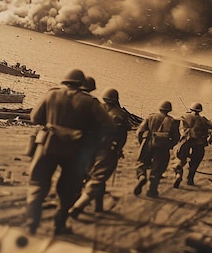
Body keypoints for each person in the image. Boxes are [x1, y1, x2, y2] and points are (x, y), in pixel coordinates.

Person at [25, 68, 108, 236]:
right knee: (68, 189)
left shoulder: (51, 94)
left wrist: (51, 123)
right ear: (81, 84)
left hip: (48, 146)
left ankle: (31, 224)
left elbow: (34, 118)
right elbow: (108, 126)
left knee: (37, 184)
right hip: (75, 151)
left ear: (64, 81)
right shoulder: (90, 102)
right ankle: (59, 225)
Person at [68, 87, 133, 218]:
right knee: (98, 178)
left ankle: (97, 205)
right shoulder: (119, 114)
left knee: (88, 175)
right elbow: (123, 134)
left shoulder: (96, 109)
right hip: (107, 150)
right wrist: (118, 149)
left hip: (89, 148)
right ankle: (77, 207)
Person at [134, 100, 180, 198]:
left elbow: (139, 132)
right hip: (163, 146)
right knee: (158, 167)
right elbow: (176, 137)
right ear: (169, 110)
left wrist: (141, 142)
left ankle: (142, 176)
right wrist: (170, 145)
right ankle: (152, 190)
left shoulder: (150, 117)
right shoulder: (172, 121)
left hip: (148, 143)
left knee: (141, 162)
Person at [173, 102, 212, 187]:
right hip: (200, 142)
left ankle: (178, 174)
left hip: (186, 141)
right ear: (200, 110)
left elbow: (176, 127)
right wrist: (209, 140)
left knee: (180, 158)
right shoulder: (203, 120)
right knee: (195, 161)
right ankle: (190, 179)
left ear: (190, 109)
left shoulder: (184, 117)